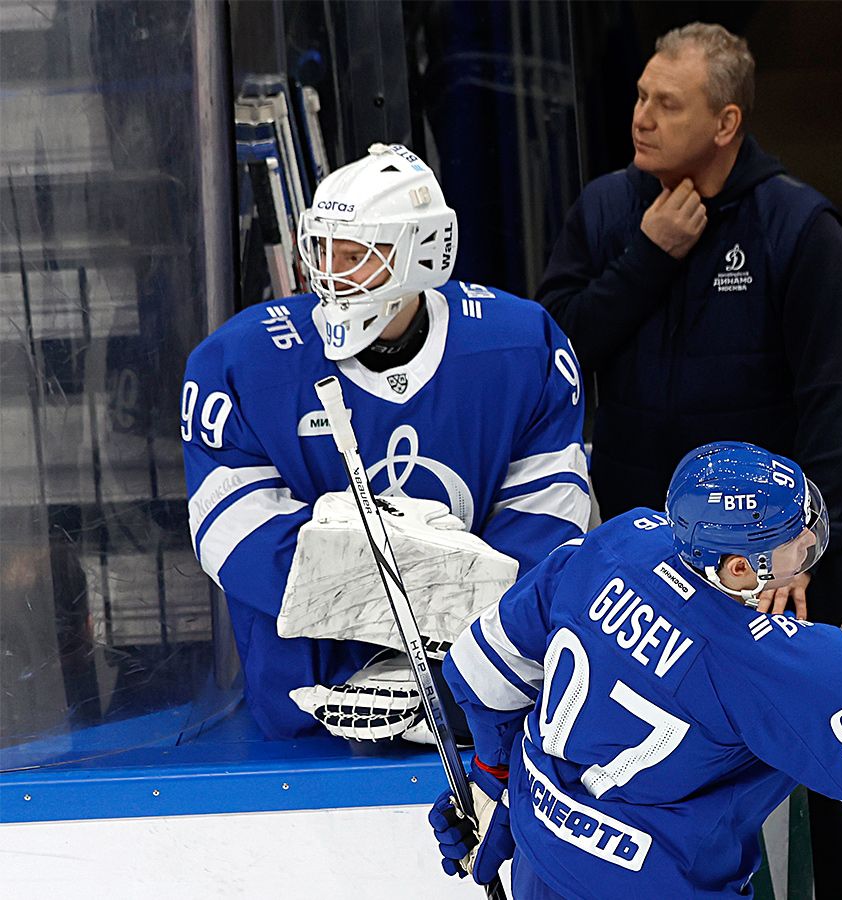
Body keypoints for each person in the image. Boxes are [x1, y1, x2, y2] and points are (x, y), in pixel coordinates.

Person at [532, 21, 842, 891]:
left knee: (820, 772)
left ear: (725, 123)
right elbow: (556, 354)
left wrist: (801, 552)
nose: (641, 117)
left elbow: (836, 406)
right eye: (641, 96)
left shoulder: (798, 226)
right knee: (651, 760)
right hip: (644, 561)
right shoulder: (607, 212)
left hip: (775, 568)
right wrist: (648, 257)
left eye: (668, 104)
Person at [426, 442, 842, 899]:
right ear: (740, 567)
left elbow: (480, 663)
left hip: (541, 855)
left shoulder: (617, 542)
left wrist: (492, 775)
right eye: (791, 539)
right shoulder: (768, 660)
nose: (807, 541)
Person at [182, 143, 591, 741]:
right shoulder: (240, 362)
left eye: (355, 254)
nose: (330, 272)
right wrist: (421, 592)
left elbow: (548, 521)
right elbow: (230, 533)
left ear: (422, 252)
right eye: (322, 249)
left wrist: (463, 655)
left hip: (475, 699)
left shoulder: (521, 347)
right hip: (304, 701)